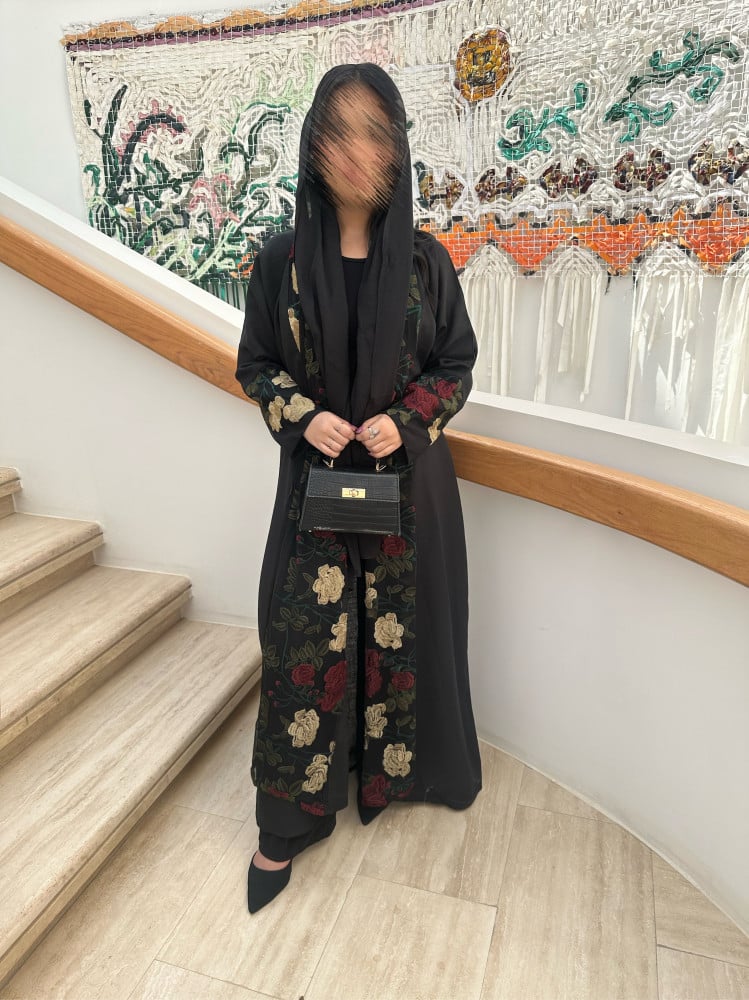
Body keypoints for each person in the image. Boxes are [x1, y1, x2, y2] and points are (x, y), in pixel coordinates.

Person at [235, 63, 482, 914]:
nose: (353, 151)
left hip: (409, 494)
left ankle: (402, 774)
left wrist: (405, 422)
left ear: (397, 149)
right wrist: (303, 416)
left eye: (373, 133)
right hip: (316, 488)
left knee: (402, 635)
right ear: (312, 144)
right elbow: (255, 365)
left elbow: (455, 365)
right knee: (304, 640)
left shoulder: (423, 262)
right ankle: (288, 820)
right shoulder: (280, 262)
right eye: (337, 131)